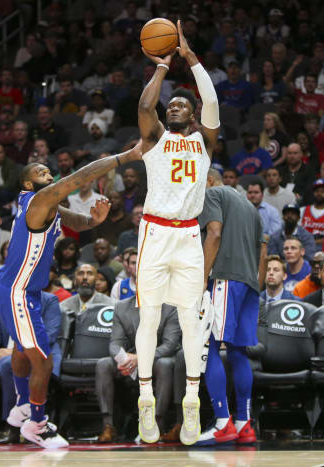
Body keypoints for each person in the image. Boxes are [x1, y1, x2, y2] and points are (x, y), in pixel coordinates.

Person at [0, 134, 141, 448]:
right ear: (29, 186)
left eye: (49, 171)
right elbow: (80, 177)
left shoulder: (50, 208)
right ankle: (37, 423)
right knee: (42, 360)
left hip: (21, 290)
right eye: (41, 173)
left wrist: (93, 219)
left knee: (22, 349)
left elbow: (79, 222)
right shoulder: (38, 200)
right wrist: (125, 156)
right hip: (17, 290)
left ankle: (21, 405)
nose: (49, 175)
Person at [135, 21, 220, 446]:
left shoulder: (204, 142)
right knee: (149, 315)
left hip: (188, 235)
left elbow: (212, 102)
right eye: (174, 105)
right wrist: (163, 68)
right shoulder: (154, 140)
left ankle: (191, 401)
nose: (176, 107)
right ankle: (145, 398)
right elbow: (145, 106)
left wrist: (190, 58)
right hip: (153, 232)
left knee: (191, 320)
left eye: (184, 105)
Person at [197, 168, 265, 444]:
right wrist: (256, 285)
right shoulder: (251, 207)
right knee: (238, 351)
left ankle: (223, 422)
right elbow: (263, 250)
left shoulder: (212, 194)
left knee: (209, 343)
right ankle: (244, 423)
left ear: (209, 180)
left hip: (224, 277)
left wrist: (202, 277)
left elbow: (213, 233)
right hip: (249, 283)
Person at [0, 294, 62, 444]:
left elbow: (48, 335)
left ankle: (11, 426)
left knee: (8, 364)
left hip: (39, 355)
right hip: (4, 354)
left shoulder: (48, 300)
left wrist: (14, 351)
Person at [95, 298, 180, 442]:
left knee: (164, 365)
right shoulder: (121, 307)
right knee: (103, 364)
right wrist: (124, 359)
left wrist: (140, 358)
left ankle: (156, 425)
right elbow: (115, 343)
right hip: (130, 359)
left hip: (158, 358)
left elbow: (169, 345)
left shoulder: (171, 307)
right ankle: (108, 426)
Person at [300, 179, 324, 246]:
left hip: (321, 249)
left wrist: (309, 242)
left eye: (322, 191)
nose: (319, 194)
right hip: (301, 247)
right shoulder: (302, 210)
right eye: (317, 191)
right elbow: (297, 233)